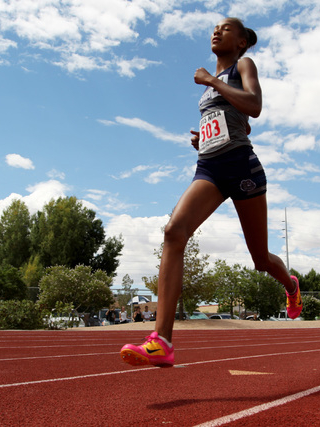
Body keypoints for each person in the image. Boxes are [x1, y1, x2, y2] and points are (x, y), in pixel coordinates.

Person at [120, 18, 302, 367]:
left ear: (242, 42)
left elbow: (254, 106)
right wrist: (203, 138)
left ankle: (291, 287)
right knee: (174, 231)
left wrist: (211, 79)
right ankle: (162, 341)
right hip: (210, 168)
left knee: (260, 259)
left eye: (227, 28)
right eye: (215, 28)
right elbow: (233, 120)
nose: (217, 31)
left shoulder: (242, 65)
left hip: (241, 166)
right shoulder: (208, 90)